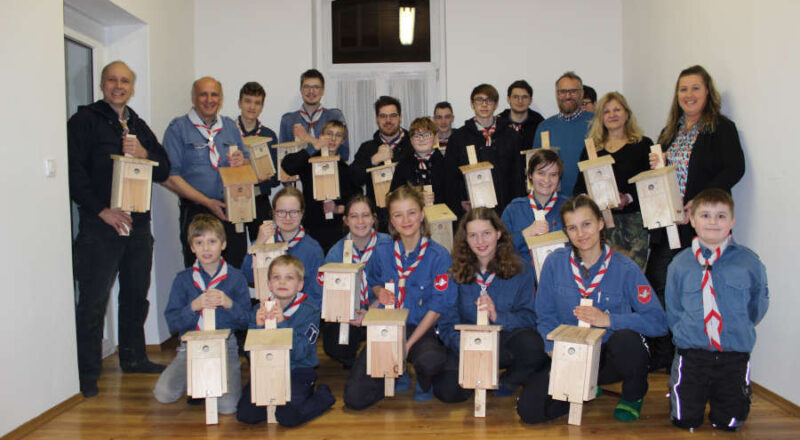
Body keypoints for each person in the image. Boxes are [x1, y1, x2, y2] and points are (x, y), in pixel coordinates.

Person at [517, 195, 667, 424]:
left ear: (600, 223)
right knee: (530, 410)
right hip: (570, 355)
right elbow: (545, 316)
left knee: (628, 340)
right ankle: (584, 387)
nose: (581, 234)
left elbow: (658, 323)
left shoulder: (625, 268)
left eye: (586, 224)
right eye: (572, 228)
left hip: (609, 357)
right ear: (566, 232)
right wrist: (553, 351)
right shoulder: (554, 263)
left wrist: (609, 320)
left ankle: (633, 395)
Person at [68, 60, 170, 397]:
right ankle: (86, 375)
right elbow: (74, 174)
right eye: (112, 80)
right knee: (94, 302)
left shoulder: (136, 123)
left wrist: (143, 152)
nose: (118, 86)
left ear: (132, 87)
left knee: (135, 295)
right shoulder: (85, 121)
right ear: (102, 84)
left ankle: (134, 357)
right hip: (101, 227)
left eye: (125, 81)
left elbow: (164, 167)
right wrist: (101, 211)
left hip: (137, 225)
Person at [644, 65, 745, 370]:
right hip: (668, 226)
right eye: (683, 89)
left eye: (695, 88)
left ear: (708, 92)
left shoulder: (720, 128)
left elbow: (734, 169)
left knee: (695, 290)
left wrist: (698, 202)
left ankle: (689, 355)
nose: (689, 95)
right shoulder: (670, 131)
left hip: (700, 226)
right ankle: (663, 354)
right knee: (658, 285)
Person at [343, 186, 456, 408]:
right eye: (398, 214)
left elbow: (437, 308)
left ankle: (424, 382)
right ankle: (397, 375)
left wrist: (405, 347)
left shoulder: (439, 256)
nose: (405, 220)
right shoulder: (383, 250)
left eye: (411, 212)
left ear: (422, 214)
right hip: (387, 326)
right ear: (391, 220)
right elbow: (374, 280)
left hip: (421, 328)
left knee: (430, 360)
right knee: (354, 399)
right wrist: (379, 293)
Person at [665, 189, 768, 432]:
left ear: (732, 221)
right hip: (692, 352)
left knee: (730, 422)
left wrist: (740, 326)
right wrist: (683, 333)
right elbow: (673, 307)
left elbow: (758, 304)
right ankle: (687, 404)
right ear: (692, 219)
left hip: (733, 351)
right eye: (705, 215)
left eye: (721, 216)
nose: (713, 222)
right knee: (684, 419)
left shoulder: (749, 262)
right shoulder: (679, 264)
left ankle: (729, 406)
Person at [434, 208, 546, 403]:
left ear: (498, 234)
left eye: (486, 233)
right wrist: (465, 347)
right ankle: (478, 374)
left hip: (503, 341)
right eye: (473, 235)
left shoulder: (521, 269)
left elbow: (529, 318)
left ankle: (508, 381)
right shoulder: (453, 271)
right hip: (468, 344)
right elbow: (446, 322)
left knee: (532, 346)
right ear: (465, 239)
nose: (480, 242)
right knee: (448, 392)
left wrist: (498, 316)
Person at [153, 214, 250, 414]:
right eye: (199, 242)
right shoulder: (183, 280)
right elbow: (172, 322)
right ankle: (196, 376)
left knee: (228, 407)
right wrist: (193, 307)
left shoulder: (236, 278)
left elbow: (246, 320)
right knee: (164, 394)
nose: (206, 248)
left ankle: (229, 370)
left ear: (223, 244)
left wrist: (228, 303)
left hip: (226, 347)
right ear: (192, 247)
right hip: (190, 347)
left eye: (212, 242)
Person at [237, 255, 336, 426]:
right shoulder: (257, 311)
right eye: (276, 277)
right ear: (269, 284)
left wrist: (283, 324)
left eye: (289, 278)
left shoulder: (310, 312)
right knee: (247, 414)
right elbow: (250, 356)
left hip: (298, 370)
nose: (282, 282)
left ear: (299, 285)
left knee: (288, 416)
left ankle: (323, 396)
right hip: (266, 370)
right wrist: (259, 329)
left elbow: (301, 352)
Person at [162, 76, 249, 268]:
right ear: (193, 98)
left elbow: (248, 164)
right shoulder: (178, 129)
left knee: (234, 269)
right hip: (197, 212)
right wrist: (206, 202)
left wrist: (242, 161)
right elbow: (169, 176)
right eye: (203, 94)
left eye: (214, 94)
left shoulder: (229, 127)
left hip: (231, 210)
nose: (209, 99)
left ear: (221, 99)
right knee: (199, 272)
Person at [573, 91, 652, 269]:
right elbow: (579, 189)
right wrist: (590, 200)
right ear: (600, 117)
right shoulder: (592, 150)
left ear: (627, 114)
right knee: (603, 273)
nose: (612, 115)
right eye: (606, 111)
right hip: (600, 225)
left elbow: (650, 186)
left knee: (633, 274)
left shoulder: (642, 145)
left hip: (634, 224)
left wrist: (627, 198)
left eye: (617, 109)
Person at [321, 195, 392, 368]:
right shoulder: (336, 252)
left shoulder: (389, 244)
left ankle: (377, 354)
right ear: (345, 220)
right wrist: (347, 313)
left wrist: (373, 311)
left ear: (374, 218)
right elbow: (329, 294)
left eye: (366, 215)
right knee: (337, 345)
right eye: (354, 216)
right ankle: (352, 358)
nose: (360, 221)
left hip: (382, 309)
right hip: (350, 315)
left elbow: (396, 285)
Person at [444, 84, 524, 219]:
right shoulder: (459, 137)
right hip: (471, 209)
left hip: (505, 207)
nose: (484, 104)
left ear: (496, 104)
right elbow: (450, 177)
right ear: (472, 104)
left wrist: (515, 204)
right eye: (479, 100)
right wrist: (461, 201)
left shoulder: (511, 136)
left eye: (489, 100)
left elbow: (518, 175)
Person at [281, 120, 361, 252]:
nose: (333, 139)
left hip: (337, 232)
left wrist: (336, 209)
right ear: (321, 136)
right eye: (329, 134)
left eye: (338, 135)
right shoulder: (309, 161)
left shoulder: (345, 170)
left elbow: (354, 202)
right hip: (311, 228)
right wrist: (314, 147)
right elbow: (287, 166)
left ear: (343, 141)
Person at [242, 187, 325, 308]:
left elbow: (316, 295)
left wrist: (294, 314)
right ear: (273, 213)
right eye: (281, 212)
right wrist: (258, 246)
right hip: (267, 310)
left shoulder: (313, 249)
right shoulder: (265, 240)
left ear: (302, 213)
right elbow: (247, 276)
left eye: (293, 212)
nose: (287, 218)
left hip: (300, 315)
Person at [351, 96, 413, 231]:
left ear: (400, 117)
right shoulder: (366, 148)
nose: (388, 120)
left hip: (408, 220)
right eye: (383, 116)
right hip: (377, 222)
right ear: (377, 119)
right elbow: (353, 180)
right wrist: (373, 160)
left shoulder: (413, 145)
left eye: (393, 116)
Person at [533, 72, 593, 197]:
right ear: (557, 94)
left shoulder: (595, 123)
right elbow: (536, 166)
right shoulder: (544, 127)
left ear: (581, 94)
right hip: (554, 201)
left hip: (588, 199)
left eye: (573, 91)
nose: (567, 96)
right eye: (563, 91)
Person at [501, 149, 567, 264]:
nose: (547, 180)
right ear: (530, 175)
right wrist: (524, 234)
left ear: (559, 177)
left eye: (553, 175)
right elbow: (499, 249)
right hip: (522, 278)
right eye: (541, 173)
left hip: (560, 277)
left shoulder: (569, 208)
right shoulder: (514, 209)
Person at [235, 81, 279, 239]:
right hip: (234, 198)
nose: (252, 107)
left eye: (257, 103)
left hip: (259, 198)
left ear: (262, 106)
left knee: (265, 247)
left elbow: (275, 178)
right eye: (247, 101)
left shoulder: (269, 135)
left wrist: (263, 178)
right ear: (239, 103)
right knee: (235, 250)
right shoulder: (228, 132)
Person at [279, 69, 349, 160]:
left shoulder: (335, 116)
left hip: (328, 172)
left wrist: (309, 138)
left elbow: (344, 154)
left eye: (316, 87)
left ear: (323, 91)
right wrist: (317, 144)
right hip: (299, 173)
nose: (311, 91)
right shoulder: (288, 120)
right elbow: (284, 159)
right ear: (301, 90)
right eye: (307, 87)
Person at [389, 117, 447, 205]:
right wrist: (416, 198)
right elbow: (393, 196)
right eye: (416, 136)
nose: (421, 139)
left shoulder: (445, 164)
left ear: (435, 138)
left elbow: (453, 194)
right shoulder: (403, 166)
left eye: (426, 135)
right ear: (411, 140)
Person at [497, 80, 545, 149]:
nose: (520, 101)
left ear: (530, 100)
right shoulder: (498, 123)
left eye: (524, 97)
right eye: (516, 97)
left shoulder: (540, 124)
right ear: (508, 99)